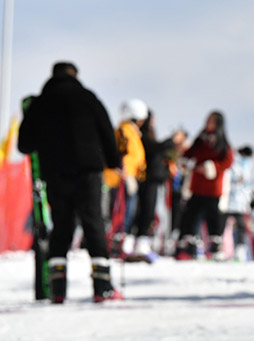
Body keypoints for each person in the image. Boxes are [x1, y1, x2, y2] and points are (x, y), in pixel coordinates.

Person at [17, 61, 123, 303]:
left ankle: (57, 288)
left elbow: (24, 144)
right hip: (88, 171)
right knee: (93, 223)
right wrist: (114, 160)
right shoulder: (87, 98)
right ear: (75, 75)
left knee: (61, 227)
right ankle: (102, 287)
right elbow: (106, 131)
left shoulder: (40, 103)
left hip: (55, 173)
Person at [129, 110, 187, 262]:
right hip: (147, 178)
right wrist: (172, 140)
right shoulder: (142, 135)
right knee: (144, 211)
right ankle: (135, 243)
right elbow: (155, 148)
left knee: (150, 212)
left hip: (155, 179)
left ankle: (141, 243)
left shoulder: (148, 134)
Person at [176, 111, 234, 260]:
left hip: (213, 187)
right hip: (196, 186)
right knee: (190, 216)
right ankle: (188, 247)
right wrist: (184, 158)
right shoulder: (200, 140)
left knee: (214, 217)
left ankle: (215, 248)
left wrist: (210, 167)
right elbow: (188, 154)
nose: (208, 123)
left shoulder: (222, 143)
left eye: (212, 121)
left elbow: (228, 161)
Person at [103, 98, 148, 255]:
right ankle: (117, 241)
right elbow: (125, 155)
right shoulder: (125, 132)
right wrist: (127, 175)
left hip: (127, 179)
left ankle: (119, 240)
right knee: (122, 211)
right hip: (121, 180)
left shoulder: (131, 132)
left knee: (127, 211)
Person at [224, 145, 254, 261]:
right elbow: (228, 180)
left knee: (241, 227)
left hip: (241, 203)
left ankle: (240, 251)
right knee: (225, 226)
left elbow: (246, 184)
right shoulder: (234, 164)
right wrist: (237, 181)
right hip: (230, 201)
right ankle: (223, 249)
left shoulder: (247, 166)